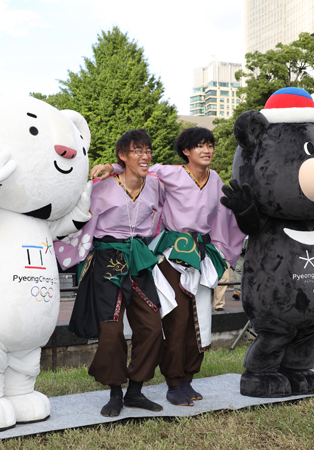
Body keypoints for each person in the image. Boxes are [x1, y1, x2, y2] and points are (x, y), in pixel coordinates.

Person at [92, 126, 245, 407]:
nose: (207, 150)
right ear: (186, 151)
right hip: (169, 255)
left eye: (210, 145)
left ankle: (185, 379)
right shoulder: (169, 174)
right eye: (199, 145)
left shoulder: (215, 180)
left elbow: (224, 218)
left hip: (199, 255)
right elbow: (137, 170)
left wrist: (224, 249)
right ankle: (171, 382)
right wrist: (112, 165)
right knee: (175, 320)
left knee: (199, 319)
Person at [55, 129, 165, 418]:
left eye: (147, 150)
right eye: (137, 151)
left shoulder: (155, 185)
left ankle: (136, 390)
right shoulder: (102, 186)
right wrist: (109, 169)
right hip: (107, 259)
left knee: (152, 326)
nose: (145, 156)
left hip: (139, 257)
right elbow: (77, 209)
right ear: (122, 156)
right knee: (111, 329)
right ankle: (115, 392)